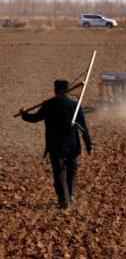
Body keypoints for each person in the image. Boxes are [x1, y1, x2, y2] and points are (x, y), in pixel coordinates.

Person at [20, 80, 92, 208]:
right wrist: (88, 144)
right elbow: (83, 127)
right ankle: (70, 195)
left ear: (55, 90)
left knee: (59, 171)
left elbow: (35, 118)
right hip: (72, 144)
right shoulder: (75, 105)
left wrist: (24, 114)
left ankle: (63, 199)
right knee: (72, 170)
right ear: (68, 90)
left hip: (55, 144)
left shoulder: (48, 104)